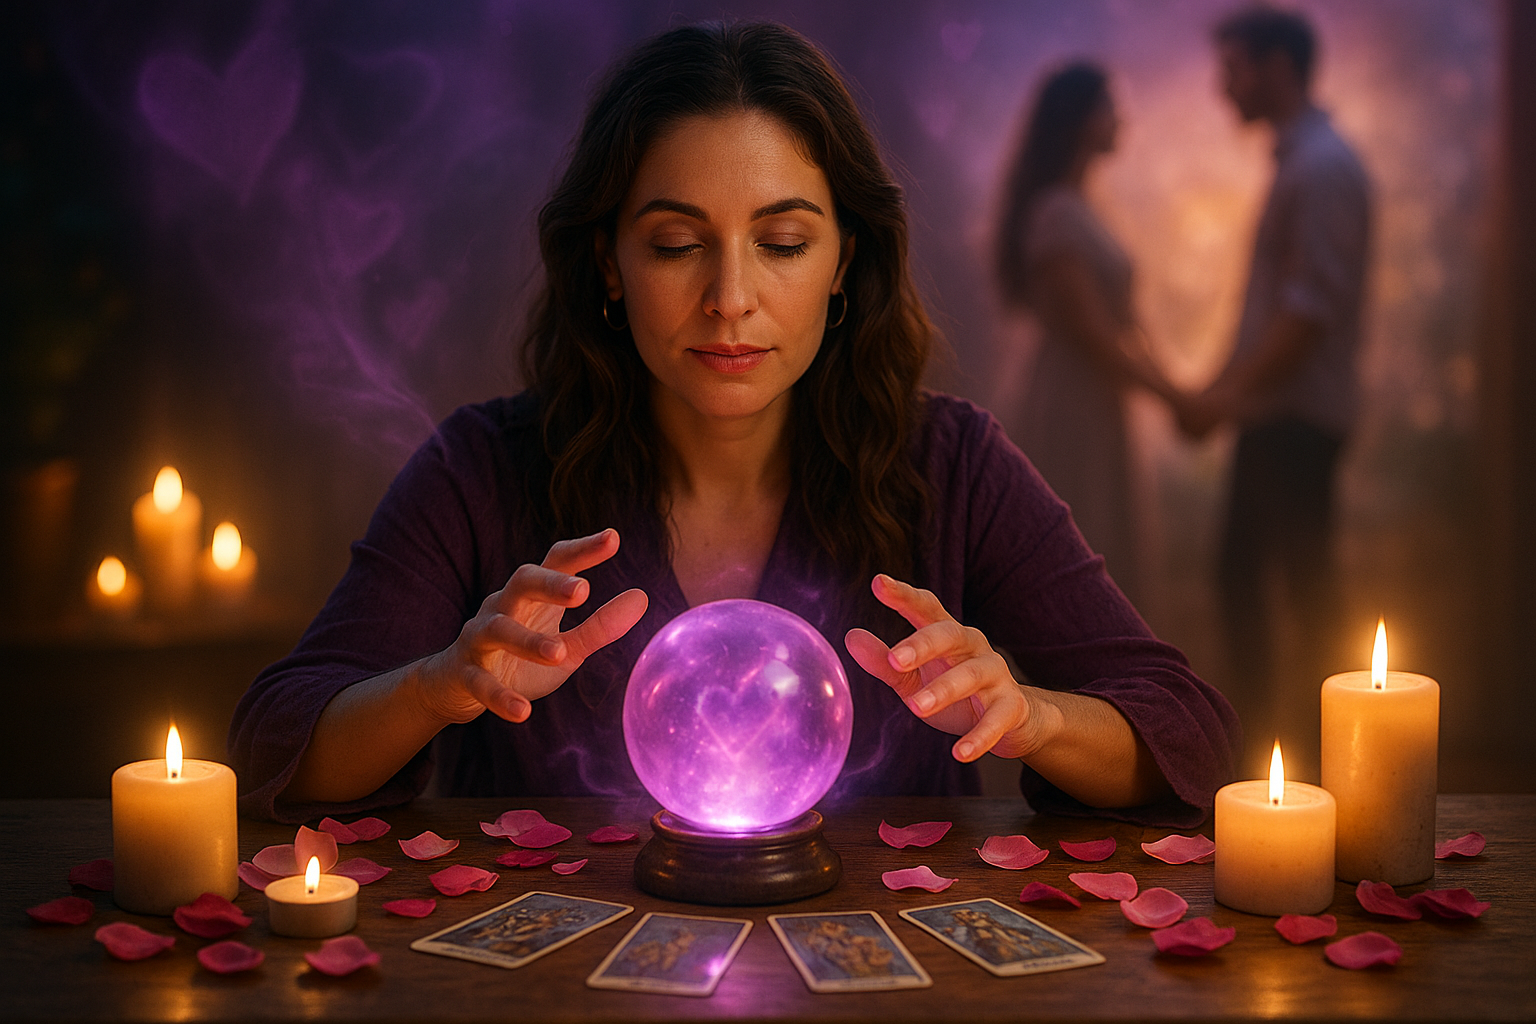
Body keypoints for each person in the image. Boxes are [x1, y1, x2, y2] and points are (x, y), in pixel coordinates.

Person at [228, 21, 1238, 827]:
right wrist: (436, 688)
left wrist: (1034, 717)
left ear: (843, 263)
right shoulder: (481, 472)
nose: (730, 299)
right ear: (607, 264)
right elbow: (276, 738)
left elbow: (1187, 733)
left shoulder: (951, 464)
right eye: (676, 245)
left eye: (783, 242)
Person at [1179, 5, 1371, 772]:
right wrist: (1225, 391)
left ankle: (1296, 763)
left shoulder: (1320, 168)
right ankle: (1295, 761)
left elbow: (1306, 316)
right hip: (1282, 415)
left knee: (1286, 590)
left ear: (1278, 66)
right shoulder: (1308, 163)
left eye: (1235, 68)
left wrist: (1224, 398)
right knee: (1270, 585)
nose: (1224, 87)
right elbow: (1285, 314)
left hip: (1292, 417)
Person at [995, 62, 1182, 604]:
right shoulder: (1056, 212)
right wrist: (1177, 398)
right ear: (1079, 118)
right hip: (1072, 399)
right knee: (1083, 530)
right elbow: (1094, 334)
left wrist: (1172, 388)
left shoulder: (1079, 207)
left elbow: (1125, 325)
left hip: (1096, 395)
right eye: (1109, 107)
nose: (1120, 119)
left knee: (1103, 534)